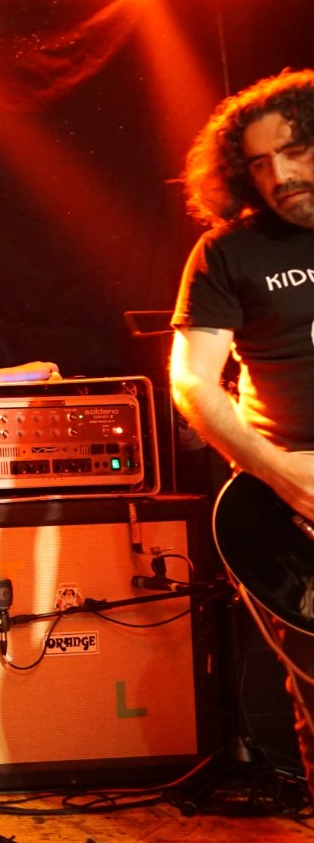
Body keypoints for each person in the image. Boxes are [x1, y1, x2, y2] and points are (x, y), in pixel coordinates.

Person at [170, 68, 314, 801]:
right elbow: (193, 381)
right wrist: (280, 474)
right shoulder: (228, 252)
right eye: (259, 163)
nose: (279, 176)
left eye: (295, 151)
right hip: (295, 506)